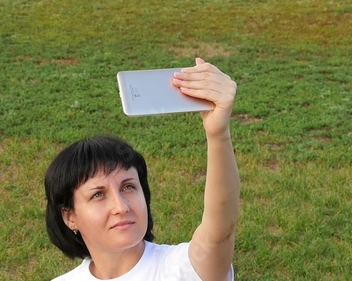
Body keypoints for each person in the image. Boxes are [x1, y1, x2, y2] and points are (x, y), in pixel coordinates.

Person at [45, 58, 240, 281]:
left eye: (128, 187)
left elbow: (221, 231)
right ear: (70, 217)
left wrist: (218, 134)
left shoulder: (184, 268)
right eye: (98, 194)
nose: (121, 207)